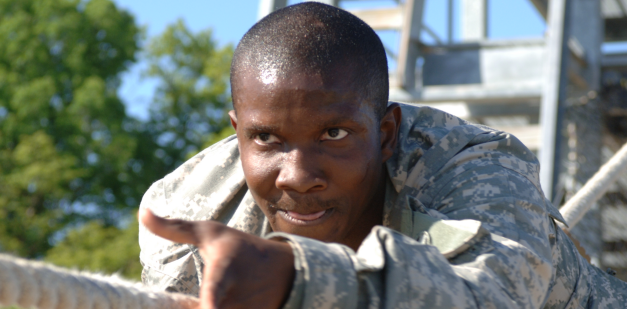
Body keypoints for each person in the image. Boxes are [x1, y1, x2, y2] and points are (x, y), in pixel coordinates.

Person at [138, 2, 627, 308]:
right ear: (237, 132)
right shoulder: (185, 212)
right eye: (266, 139)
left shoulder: (473, 167)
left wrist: (297, 279)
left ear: (387, 131)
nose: (298, 176)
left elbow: (490, 297)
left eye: (333, 133)